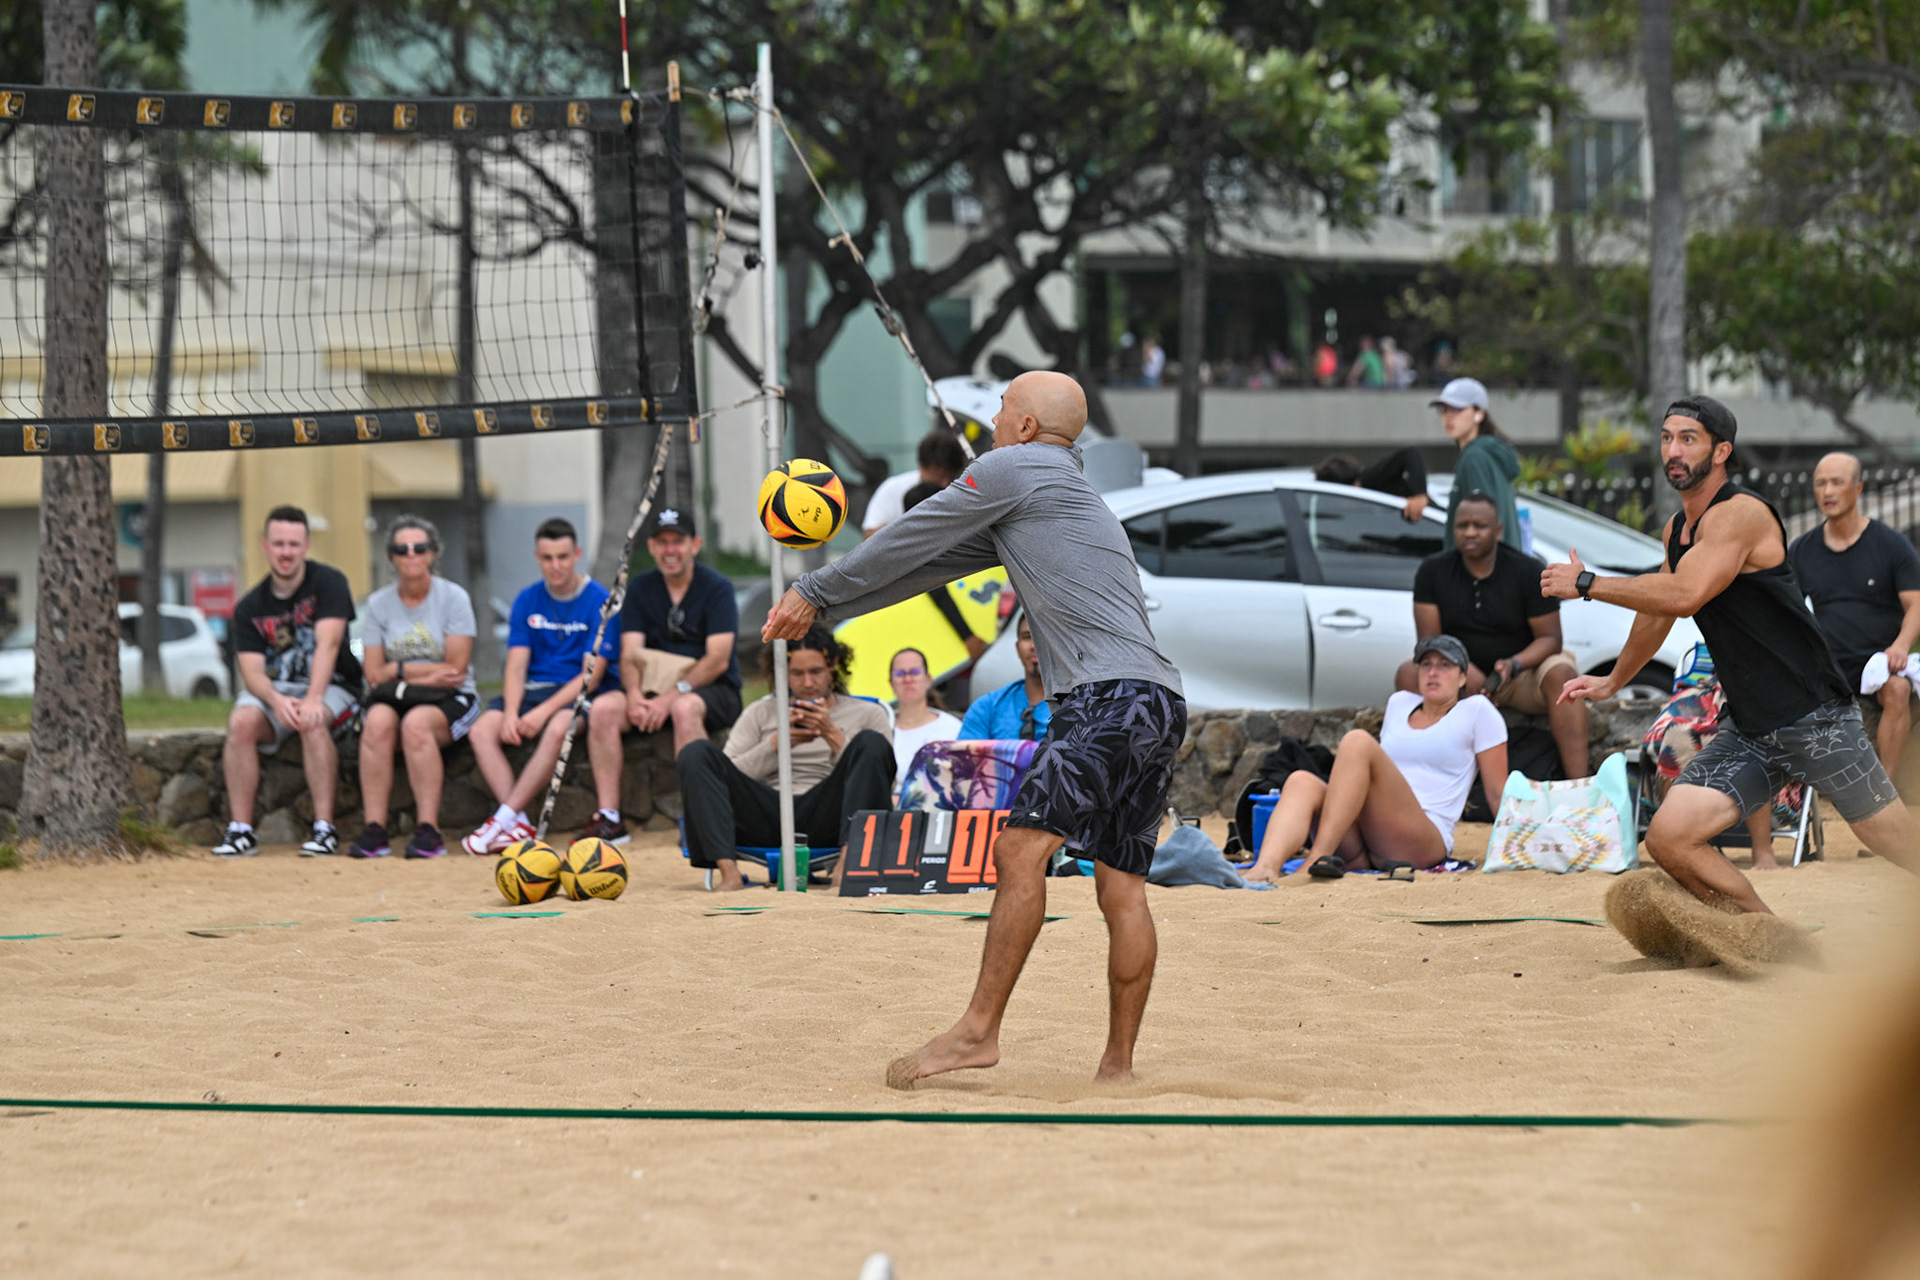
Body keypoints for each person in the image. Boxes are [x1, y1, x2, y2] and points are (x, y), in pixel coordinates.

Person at [764, 369, 1188, 1088]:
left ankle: (978, 1032)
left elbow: (906, 535)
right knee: (1122, 890)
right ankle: (1116, 1069)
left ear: (1025, 427)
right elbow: (927, 565)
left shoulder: (1012, 468)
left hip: (1103, 697)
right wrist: (830, 608)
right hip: (1159, 700)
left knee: (1020, 850)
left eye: (1000, 409)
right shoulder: (1065, 491)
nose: (991, 420)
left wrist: (813, 587)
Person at [1545, 395, 1918, 915]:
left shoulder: (1741, 515)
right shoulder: (1678, 530)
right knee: (1669, 838)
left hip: (1817, 718)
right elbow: (1659, 612)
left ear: (1722, 451)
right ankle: (1765, 937)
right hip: (1751, 727)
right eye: (1667, 437)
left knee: (1896, 843)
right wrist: (1613, 680)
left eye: (1688, 439)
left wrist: (1587, 583)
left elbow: (1685, 596)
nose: (1673, 450)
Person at [1247, 635, 1507, 882]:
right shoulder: (1400, 703)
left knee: (1357, 742)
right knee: (1300, 780)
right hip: (1369, 838)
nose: (1433, 672)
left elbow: (1497, 792)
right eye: (1426, 665)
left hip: (1424, 837)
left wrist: (1514, 849)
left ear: (1463, 678)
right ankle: (1265, 867)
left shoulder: (1477, 711)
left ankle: (1317, 856)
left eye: (1444, 665)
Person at [675, 625, 894, 892]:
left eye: (816, 672)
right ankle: (729, 874)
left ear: (833, 667)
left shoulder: (868, 713)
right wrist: (776, 745)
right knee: (696, 752)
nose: (808, 683)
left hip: (831, 814)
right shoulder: (761, 712)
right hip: (767, 812)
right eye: (797, 674)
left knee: (871, 742)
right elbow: (723, 777)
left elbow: (883, 783)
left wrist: (832, 735)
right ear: (782, 674)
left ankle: (847, 866)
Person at [462, 518, 625, 855]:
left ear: (577, 554)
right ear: (537, 556)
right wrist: (510, 712)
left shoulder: (600, 600)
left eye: (563, 556)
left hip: (577, 694)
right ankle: (518, 821)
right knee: (481, 731)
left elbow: (590, 675)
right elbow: (517, 664)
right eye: (548, 557)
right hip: (533, 691)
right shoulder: (526, 599)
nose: (556, 565)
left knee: (554, 729)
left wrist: (539, 713)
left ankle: (501, 818)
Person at [1400, 491, 1589, 778]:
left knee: (1562, 675)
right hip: (1461, 677)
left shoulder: (1527, 571)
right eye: (1462, 526)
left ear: (1498, 530)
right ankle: (1421, 779)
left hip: (1521, 673)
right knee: (1408, 674)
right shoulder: (1432, 572)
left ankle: (1581, 784)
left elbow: (1551, 639)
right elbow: (1428, 642)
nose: (1470, 532)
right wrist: (1461, 668)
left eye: (1480, 525)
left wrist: (1513, 664)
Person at [216, 505, 362, 858]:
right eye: (279, 544)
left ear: (306, 545)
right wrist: (278, 702)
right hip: (276, 690)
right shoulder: (250, 606)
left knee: (312, 723)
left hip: (332, 685)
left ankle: (324, 829)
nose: (286, 552)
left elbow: (328, 644)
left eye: (293, 544)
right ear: (265, 546)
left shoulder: (329, 583)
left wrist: (313, 699)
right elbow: (251, 673)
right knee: (241, 723)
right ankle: (241, 831)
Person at [350, 515, 480, 859]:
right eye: (401, 548)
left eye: (419, 547)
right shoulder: (379, 603)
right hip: (396, 695)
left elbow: (455, 669)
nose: (411, 554)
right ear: (391, 556)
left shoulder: (453, 598)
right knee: (376, 724)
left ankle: (428, 831)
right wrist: (414, 671)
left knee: (416, 725)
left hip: (451, 697)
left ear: (433, 553)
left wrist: (399, 669)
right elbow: (375, 673)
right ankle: (375, 830)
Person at [1788, 451, 1920, 781]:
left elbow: (1916, 605)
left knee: (1898, 690)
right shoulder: (1802, 550)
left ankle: (1884, 791)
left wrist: (1901, 647)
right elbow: (1787, 611)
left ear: (1858, 488)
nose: (1828, 492)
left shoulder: (1891, 545)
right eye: (1820, 484)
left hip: (1878, 663)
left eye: (1837, 482)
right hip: (1828, 666)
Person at [601, 507, 742, 760]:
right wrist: (633, 694)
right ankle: (608, 802)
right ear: (652, 547)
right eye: (662, 542)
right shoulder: (639, 588)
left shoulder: (717, 588)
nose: (670, 551)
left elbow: (718, 660)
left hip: (712, 690)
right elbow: (629, 653)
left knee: (683, 708)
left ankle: (699, 798)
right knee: (603, 710)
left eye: (678, 541)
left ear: (695, 545)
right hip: (650, 690)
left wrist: (670, 697)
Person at [1431, 377, 1521, 551]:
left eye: (1457, 409)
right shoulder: (1487, 454)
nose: (1448, 416)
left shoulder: (1475, 457)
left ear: (1479, 413)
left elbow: (1482, 525)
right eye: (1444, 409)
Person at [956, 613, 1051, 741]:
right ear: (1017, 648)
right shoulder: (987, 707)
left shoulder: (1080, 708)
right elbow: (968, 758)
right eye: (1027, 637)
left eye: (1042, 637)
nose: (1034, 645)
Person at [862, 429, 973, 537]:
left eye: (952, 477)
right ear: (922, 466)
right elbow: (869, 536)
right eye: (940, 476)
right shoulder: (893, 488)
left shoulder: (964, 491)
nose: (945, 484)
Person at [887, 646, 962, 780]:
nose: (908, 679)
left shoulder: (952, 728)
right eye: (900, 674)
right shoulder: (880, 726)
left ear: (928, 680)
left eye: (915, 672)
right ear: (891, 683)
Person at [1314, 449, 1430, 523]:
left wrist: (1419, 495)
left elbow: (1409, 454)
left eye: (1340, 499)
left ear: (1354, 487)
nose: (1338, 504)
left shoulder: (1368, 480)